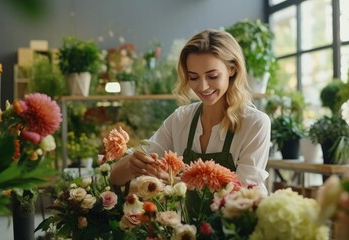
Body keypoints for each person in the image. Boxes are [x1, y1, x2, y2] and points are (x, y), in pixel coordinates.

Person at [109, 29, 271, 195]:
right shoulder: (181, 119)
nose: (202, 86)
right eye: (193, 77)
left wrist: (177, 181)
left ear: (232, 69)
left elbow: (243, 191)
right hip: (188, 221)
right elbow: (115, 178)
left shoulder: (255, 123)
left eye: (212, 76)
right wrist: (132, 163)